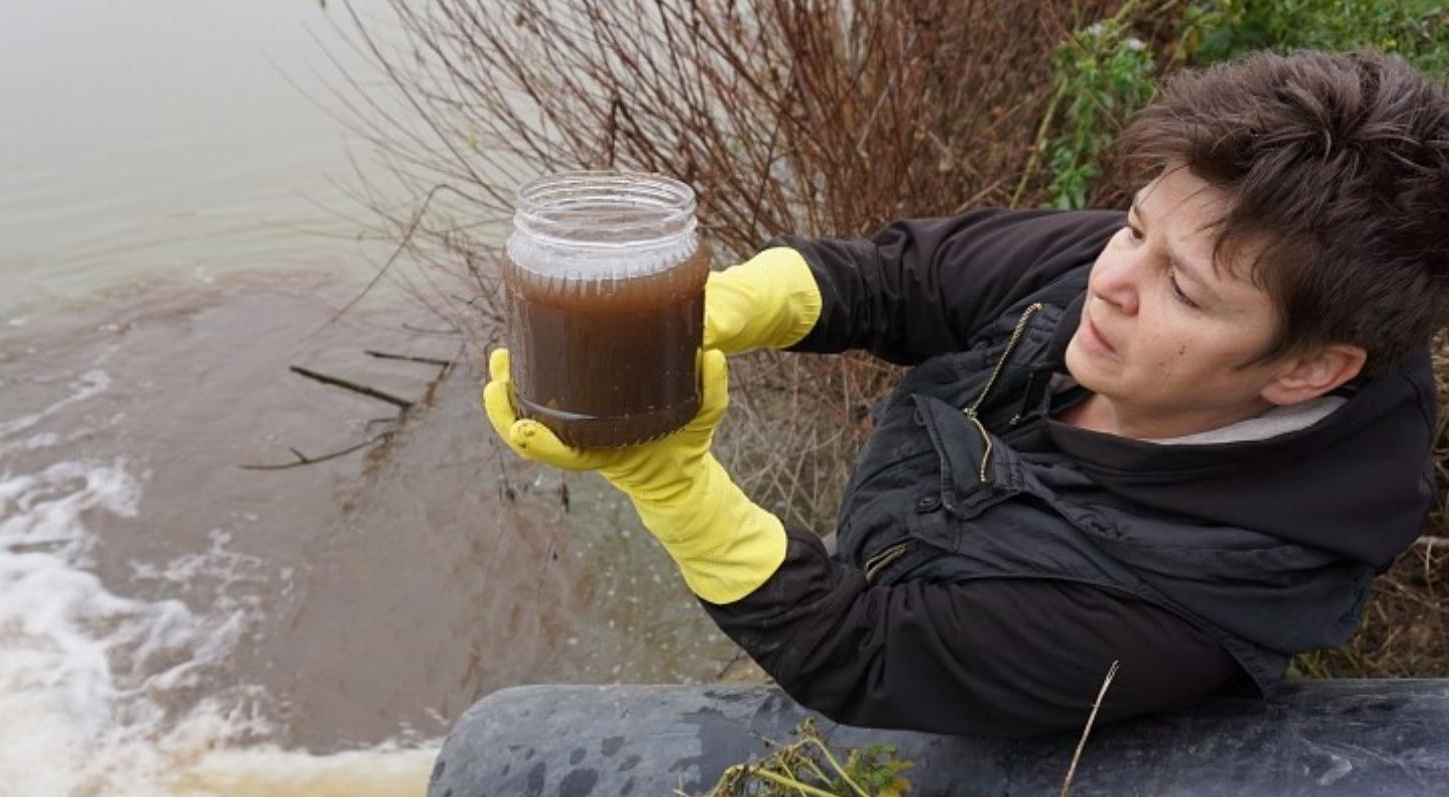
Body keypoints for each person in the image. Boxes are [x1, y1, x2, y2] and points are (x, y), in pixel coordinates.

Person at [483, 50, 1449, 736]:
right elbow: (905, 277)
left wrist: (676, 490)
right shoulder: (1177, 255)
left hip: (941, 694)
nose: (1111, 279)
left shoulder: (1174, 614)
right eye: (1135, 225)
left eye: (1181, 289)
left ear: (1309, 370)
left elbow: (866, 653)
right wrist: (721, 306)